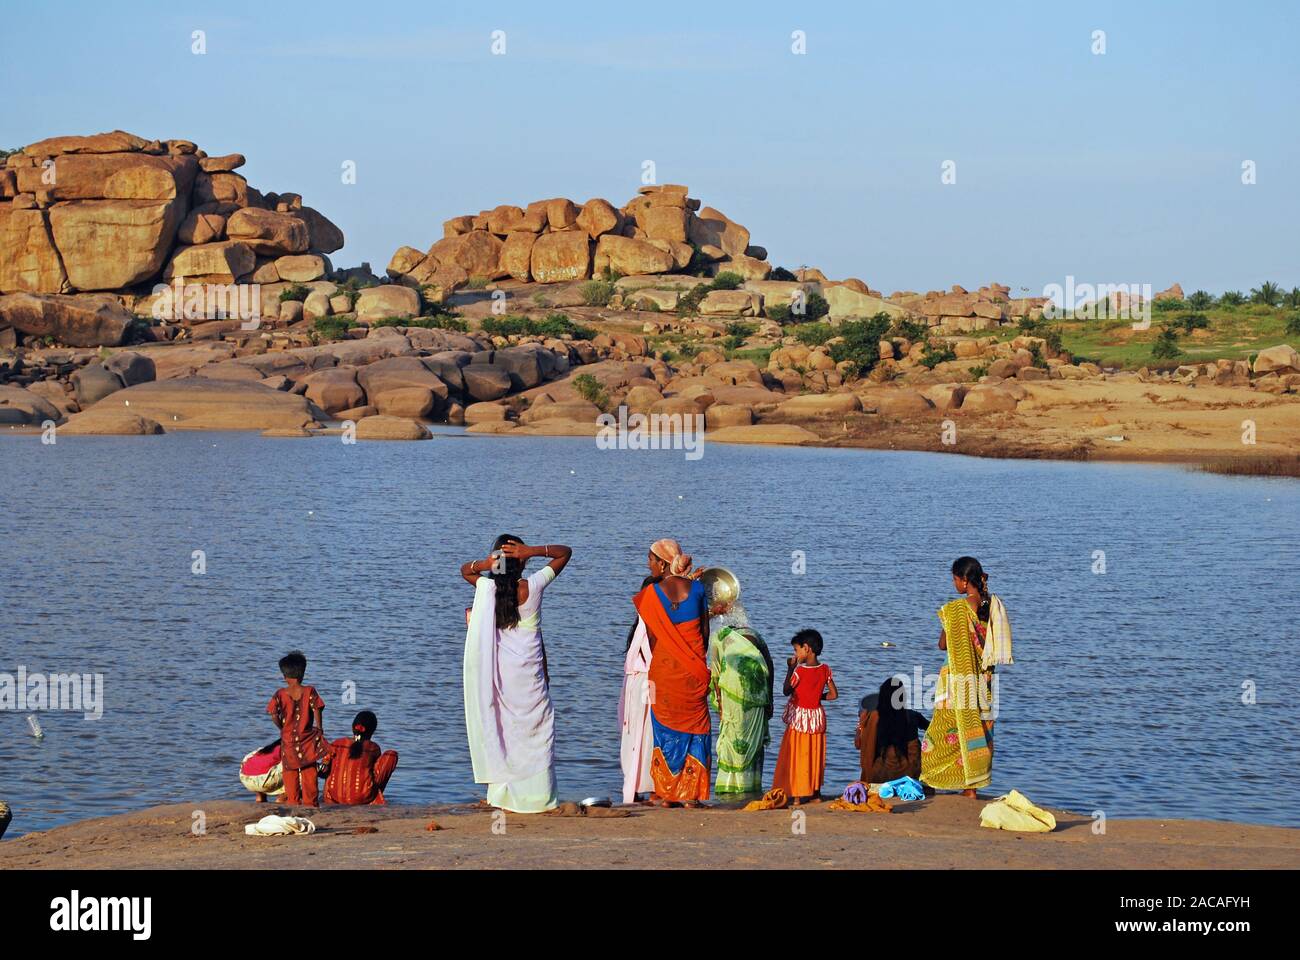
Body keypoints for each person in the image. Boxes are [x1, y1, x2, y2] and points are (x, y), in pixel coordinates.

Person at [461, 535, 571, 813]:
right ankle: (539, 797)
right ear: (521, 563)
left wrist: (485, 563)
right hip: (530, 674)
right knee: (538, 729)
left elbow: (465, 570)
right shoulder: (532, 586)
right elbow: (564, 553)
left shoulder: (486, 588)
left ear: (496, 563)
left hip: (500, 676)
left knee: (504, 730)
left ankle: (503, 796)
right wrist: (533, 550)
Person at [919, 556, 1012, 798]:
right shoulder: (993, 605)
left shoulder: (956, 610)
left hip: (957, 681)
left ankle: (930, 780)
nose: (953, 584)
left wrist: (951, 627)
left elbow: (942, 645)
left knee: (939, 733)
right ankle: (971, 787)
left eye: (954, 579)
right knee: (977, 731)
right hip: (983, 680)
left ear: (963, 581)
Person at [632, 539, 711, 807]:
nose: (648, 564)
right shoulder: (699, 589)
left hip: (664, 671)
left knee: (665, 729)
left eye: (651, 560)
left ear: (664, 564)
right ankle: (691, 796)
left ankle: (667, 793)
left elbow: (653, 638)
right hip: (694, 671)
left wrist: (670, 657)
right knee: (697, 729)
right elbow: (705, 632)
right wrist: (695, 662)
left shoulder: (652, 595)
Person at [708, 599, 774, 796]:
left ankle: (730, 787)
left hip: (732, 696)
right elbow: (770, 667)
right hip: (757, 694)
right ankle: (750, 786)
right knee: (752, 737)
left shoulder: (720, 637)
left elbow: (716, 673)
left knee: (732, 734)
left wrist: (719, 702)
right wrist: (769, 699)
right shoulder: (755, 635)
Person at [771, 629, 837, 804]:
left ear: (806, 649)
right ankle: (815, 793)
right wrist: (817, 696)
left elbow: (786, 690)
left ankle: (797, 795)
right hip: (816, 717)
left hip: (800, 718)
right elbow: (833, 695)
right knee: (815, 754)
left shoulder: (799, 672)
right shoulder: (825, 669)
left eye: (796, 650)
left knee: (797, 754)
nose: (795, 653)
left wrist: (791, 668)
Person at [266, 650, 328, 807]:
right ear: (303, 674)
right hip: (307, 738)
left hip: (288, 740)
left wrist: (282, 727)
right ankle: (311, 804)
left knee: (290, 772)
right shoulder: (309, 691)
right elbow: (318, 708)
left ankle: (293, 803)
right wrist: (319, 728)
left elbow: (273, 713)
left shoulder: (280, 694)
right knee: (309, 772)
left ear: (285, 677)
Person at [619, 574, 659, 805]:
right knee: (646, 733)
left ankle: (638, 787)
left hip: (639, 684)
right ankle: (647, 786)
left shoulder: (643, 620)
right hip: (646, 683)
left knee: (637, 734)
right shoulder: (650, 620)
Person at [324, 710, 399, 805]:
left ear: (353, 727)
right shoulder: (373, 747)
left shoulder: (337, 744)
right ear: (372, 730)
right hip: (362, 797)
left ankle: (329, 799)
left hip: (335, 796)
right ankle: (374, 799)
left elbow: (324, 769)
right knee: (391, 755)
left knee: (329, 765)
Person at [856, 677, 922, 784]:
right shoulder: (911, 715)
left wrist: (861, 725)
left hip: (880, 775)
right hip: (909, 774)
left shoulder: (874, 717)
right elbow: (931, 727)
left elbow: (858, 744)